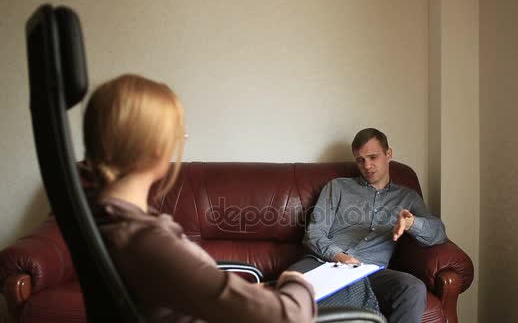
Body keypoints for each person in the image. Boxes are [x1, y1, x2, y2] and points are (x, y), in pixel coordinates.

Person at [81, 74, 316, 323]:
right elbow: (290, 317)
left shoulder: (102, 215)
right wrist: (297, 282)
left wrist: (244, 298)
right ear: (156, 148)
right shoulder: (144, 240)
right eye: (176, 136)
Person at [302, 128, 447, 323]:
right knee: (298, 288)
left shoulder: (408, 197)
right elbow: (314, 233)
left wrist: (412, 223)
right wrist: (340, 256)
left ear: (388, 154)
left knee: (413, 286)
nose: (367, 165)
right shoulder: (337, 187)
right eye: (360, 160)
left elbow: (439, 233)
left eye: (373, 157)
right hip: (323, 263)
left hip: (371, 272)